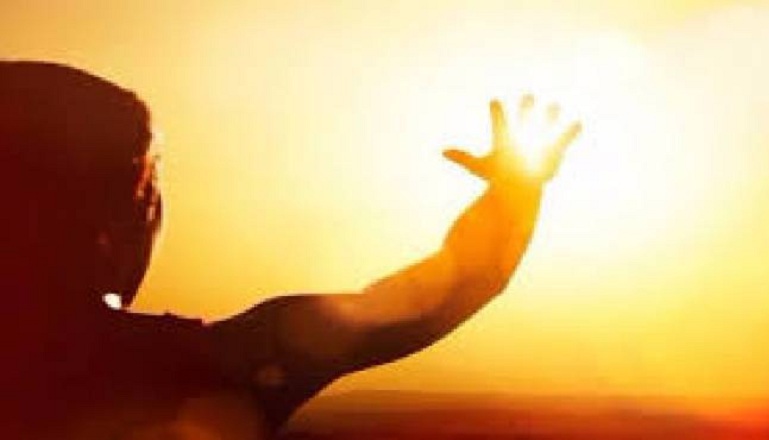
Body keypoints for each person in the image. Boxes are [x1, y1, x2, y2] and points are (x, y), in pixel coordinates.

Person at [0, 61, 581, 439]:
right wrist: (514, 194)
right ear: (117, 219)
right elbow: (445, 291)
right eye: (149, 189)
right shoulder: (191, 368)